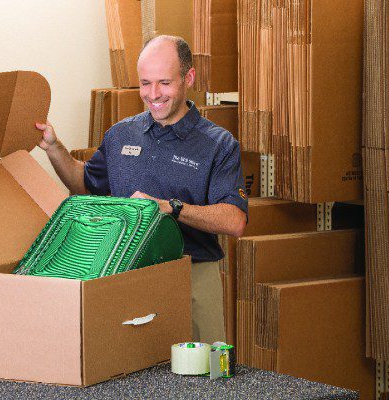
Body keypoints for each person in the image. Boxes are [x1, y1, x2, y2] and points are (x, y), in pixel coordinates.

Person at [36, 35, 248, 343]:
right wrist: (54, 149)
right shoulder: (121, 135)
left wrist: (169, 207)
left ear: (188, 78)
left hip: (192, 274)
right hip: (127, 273)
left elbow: (235, 221)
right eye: (145, 83)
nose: (153, 94)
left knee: (201, 379)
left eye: (164, 82)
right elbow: (85, 185)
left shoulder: (218, 144)